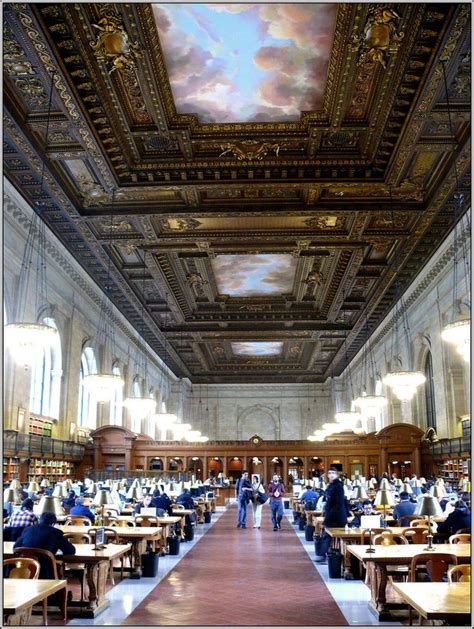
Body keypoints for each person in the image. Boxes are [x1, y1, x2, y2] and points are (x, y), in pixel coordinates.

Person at [13, 512, 76, 578]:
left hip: (25, 568)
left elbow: (16, 547)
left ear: (40, 521)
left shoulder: (27, 529)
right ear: (53, 523)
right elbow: (71, 550)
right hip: (45, 571)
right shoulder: (56, 532)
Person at [316, 468, 347, 564]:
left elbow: (339, 503)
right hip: (332, 514)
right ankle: (324, 555)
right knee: (326, 535)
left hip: (336, 516)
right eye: (329, 473)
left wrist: (330, 513)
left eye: (333, 473)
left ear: (337, 475)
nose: (331, 475)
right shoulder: (331, 486)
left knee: (328, 535)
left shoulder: (338, 486)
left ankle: (324, 555)